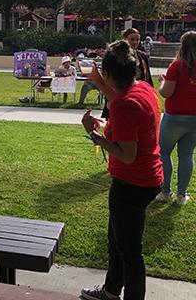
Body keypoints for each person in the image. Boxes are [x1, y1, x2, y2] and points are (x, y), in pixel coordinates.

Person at [79, 41, 163, 300]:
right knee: (116, 241)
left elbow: (127, 155)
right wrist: (98, 80)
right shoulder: (144, 89)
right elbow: (119, 97)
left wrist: (95, 136)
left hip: (132, 184)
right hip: (148, 177)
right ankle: (110, 291)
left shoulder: (124, 105)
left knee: (129, 252)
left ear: (109, 74)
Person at [155, 30, 196, 206]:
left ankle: (165, 192)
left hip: (174, 117)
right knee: (186, 154)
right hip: (194, 119)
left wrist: (162, 82)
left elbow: (166, 92)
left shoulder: (177, 66)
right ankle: (182, 195)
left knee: (164, 153)